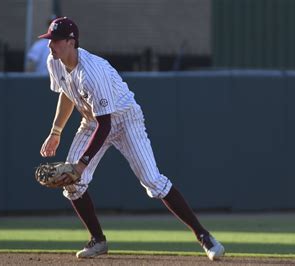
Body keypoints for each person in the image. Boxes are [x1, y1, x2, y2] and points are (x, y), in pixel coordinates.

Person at [38, 17, 225, 261]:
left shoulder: (92, 72)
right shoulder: (55, 61)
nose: (51, 45)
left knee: (152, 180)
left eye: (56, 40)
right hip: (92, 120)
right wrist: (56, 131)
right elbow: (67, 92)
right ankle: (98, 240)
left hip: (124, 119)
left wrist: (81, 165)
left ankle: (204, 237)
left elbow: (106, 124)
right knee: (72, 184)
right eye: (50, 39)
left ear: (71, 42)